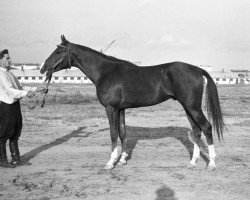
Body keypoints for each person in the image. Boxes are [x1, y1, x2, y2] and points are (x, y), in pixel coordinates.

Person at [0, 49, 47, 168]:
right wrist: (26, 93)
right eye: (7, 58)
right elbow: (11, 91)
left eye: (9, 58)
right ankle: (2, 160)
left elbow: (19, 86)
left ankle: (16, 159)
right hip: (6, 106)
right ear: (0, 60)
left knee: (15, 133)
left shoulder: (9, 73)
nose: (10, 60)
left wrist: (35, 89)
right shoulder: (1, 73)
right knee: (4, 134)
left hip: (15, 105)